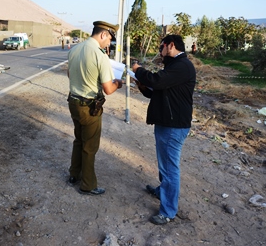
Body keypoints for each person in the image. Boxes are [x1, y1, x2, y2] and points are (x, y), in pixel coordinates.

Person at [131, 34, 196, 225]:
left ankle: (168, 212)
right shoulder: (174, 67)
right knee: (164, 165)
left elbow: (157, 81)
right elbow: (158, 92)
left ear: (171, 46)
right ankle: (162, 191)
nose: (160, 50)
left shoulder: (183, 66)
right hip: (167, 123)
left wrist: (138, 70)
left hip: (173, 126)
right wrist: (143, 86)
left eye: (162, 46)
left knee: (170, 168)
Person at [67, 21, 124, 195]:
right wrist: (118, 84)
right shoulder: (100, 56)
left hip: (73, 102)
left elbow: (69, 74)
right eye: (109, 40)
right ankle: (88, 185)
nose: (109, 44)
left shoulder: (74, 49)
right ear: (103, 35)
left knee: (79, 139)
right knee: (90, 146)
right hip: (89, 106)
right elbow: (108, 89)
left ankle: (73, 174)